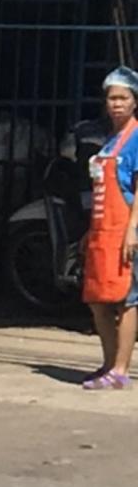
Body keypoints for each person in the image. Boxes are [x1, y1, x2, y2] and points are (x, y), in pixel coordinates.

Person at [80, 66, 138, 389]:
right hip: (103, 231)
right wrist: (90, 232)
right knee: (98, 298)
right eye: (112, 98)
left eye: (123, 98)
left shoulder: (136, 138)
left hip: (126, 229)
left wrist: (133, 230)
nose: (116, 104)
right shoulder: (110, 141)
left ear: (134, 102)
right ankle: (108, 362)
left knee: (127, 298)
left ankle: (120, 370)